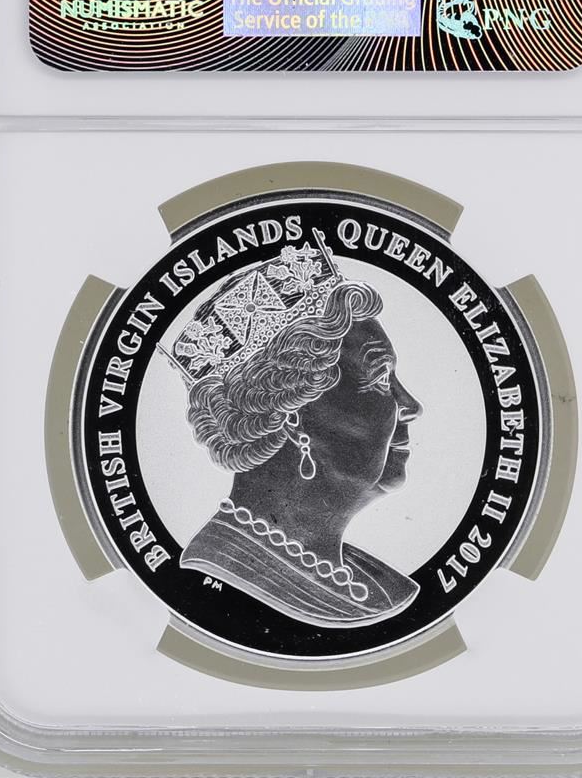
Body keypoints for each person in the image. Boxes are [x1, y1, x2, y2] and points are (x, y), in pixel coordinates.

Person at [161, 231, 423, 627]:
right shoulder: (221, 569)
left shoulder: (375, 583)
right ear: (293, 413)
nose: (412, 406)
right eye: (381, 378)